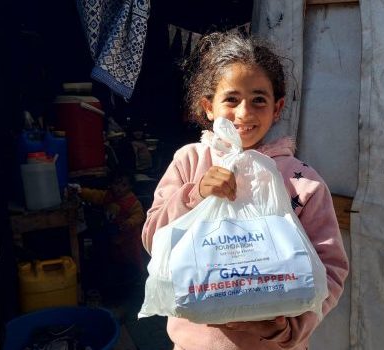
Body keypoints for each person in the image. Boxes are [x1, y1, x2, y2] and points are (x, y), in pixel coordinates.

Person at [141, 32, 349, 350]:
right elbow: (153, 239)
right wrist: (194, 194)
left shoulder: (301, 182)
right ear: (208, 106)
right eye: (231, 99)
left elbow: (330, 267)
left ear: (277, 108)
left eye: (258, 100)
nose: (244, 112)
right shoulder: (189, 163)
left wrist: (288, 329)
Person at [73, 172, 146, 276]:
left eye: (124, 185)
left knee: (133, 257)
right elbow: (94, 195)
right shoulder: (108, 196)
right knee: (115, 256)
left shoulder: (132, 202)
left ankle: (138, 276)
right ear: (111, 184)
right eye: (116, 184)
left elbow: (139, 215)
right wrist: (80, 191)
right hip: (114, 234)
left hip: (130, 237)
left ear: (130, 186)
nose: (119, 188)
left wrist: (130, 222)